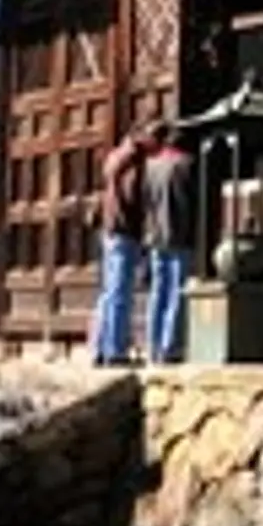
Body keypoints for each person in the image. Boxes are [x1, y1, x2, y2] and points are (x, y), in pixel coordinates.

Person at [89, 122, 151, 365]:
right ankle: (116, 350)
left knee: (108, 292)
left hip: (110, 230)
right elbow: (130, 198)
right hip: (123, 231)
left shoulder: (114, 158)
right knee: (120, 292)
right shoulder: (131, 164)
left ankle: (99, 347)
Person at [139, 119, 194, 364]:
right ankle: (170, 346)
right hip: (179, 234)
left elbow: (147, 202)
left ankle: (152, 345)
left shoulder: (151, 167)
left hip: (155, 235)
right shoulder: (185, 165)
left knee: (158, 291)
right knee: (177, 291)